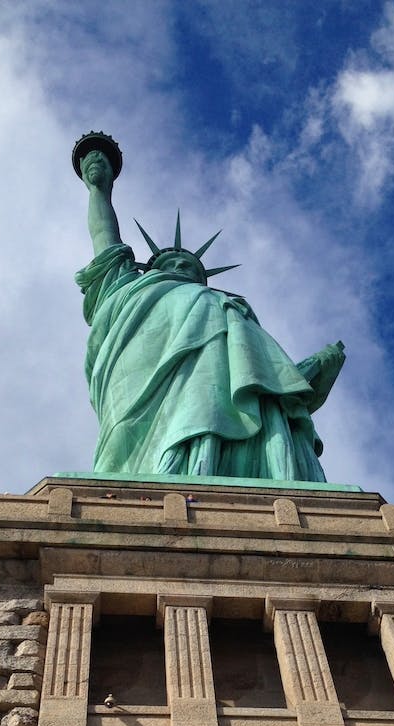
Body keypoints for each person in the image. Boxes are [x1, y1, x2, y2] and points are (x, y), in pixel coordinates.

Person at [75, 144, 344, 482]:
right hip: (139, 380)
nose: (179, 267)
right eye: (170, 263)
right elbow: (104, 237)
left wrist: (314, 368)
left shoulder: (229, 311)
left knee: (223, 416)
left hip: (212, 389)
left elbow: (262, 382)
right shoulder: (126, 288)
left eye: (188, 266)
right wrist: (99, 190)